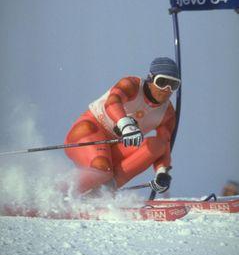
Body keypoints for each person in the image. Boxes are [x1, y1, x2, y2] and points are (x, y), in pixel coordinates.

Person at [64, 57, 181, 196]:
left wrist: (162, 172)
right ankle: (53, 193)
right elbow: (112, 102)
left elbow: (164, 145)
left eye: (173, 85)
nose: (167, 90)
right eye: (162, 82)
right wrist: (125, 124)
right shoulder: (131, 85)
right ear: (150, 79)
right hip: (87, 131)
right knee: (102, 169)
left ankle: (100, 193)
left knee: (157, 145)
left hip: (114, 147)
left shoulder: (167, 113)